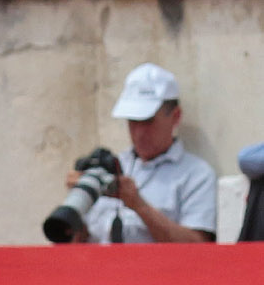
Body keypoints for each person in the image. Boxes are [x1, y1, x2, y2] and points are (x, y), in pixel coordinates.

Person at [73, 63, 217, 245]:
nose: (139, 132)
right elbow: (79, 244)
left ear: (175, 116)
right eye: (132, 121)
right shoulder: (110, 166)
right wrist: (78, 202)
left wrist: (139, 205)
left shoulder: (196, 175)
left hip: (160, 272)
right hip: (99, 270)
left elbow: (199, 248)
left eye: (148, 121)